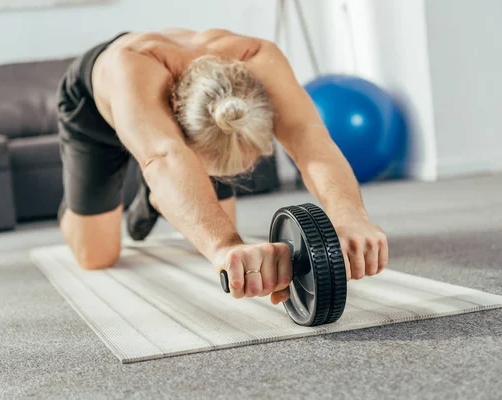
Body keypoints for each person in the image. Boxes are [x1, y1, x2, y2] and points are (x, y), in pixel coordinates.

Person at [56, 29, 389, 305]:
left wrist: (351, 218)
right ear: (178, 124)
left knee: (215, 221)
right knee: (96, 257)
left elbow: (312, 142)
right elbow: (165, 156)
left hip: (173, 142)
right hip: (93, 115)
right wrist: (224, 247)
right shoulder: (130, 67)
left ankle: (157, 194)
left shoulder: (260, 59)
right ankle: (81, 201)